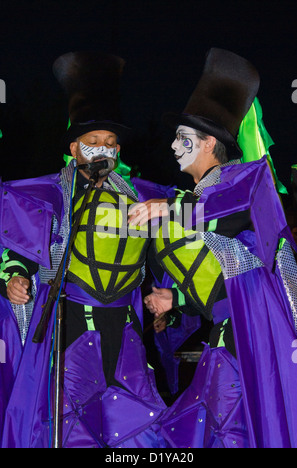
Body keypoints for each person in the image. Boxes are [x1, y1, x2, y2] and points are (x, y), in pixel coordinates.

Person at [128, 48, 297, 448]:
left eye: (182, 138)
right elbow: (226, 275)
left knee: (221, 421)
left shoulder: (242, 183)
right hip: (237, 328)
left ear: (208, 144)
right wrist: (179, 300)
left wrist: (168, 206)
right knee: (216, 422)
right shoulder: (203, 196)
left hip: (260, 329)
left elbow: (230, 212)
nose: (173, 146)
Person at [0, 51, 172, 448]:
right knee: (73, 421)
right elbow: (15, 243)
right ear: (75, 148)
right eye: (94, 141)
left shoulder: (139, 196)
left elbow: (174, 242)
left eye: (111, 143)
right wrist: (14, 276)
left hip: (124, 328)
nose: (104, 149)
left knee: (138, 417)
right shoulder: (49, 194)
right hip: (71, 322)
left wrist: (168, 298)